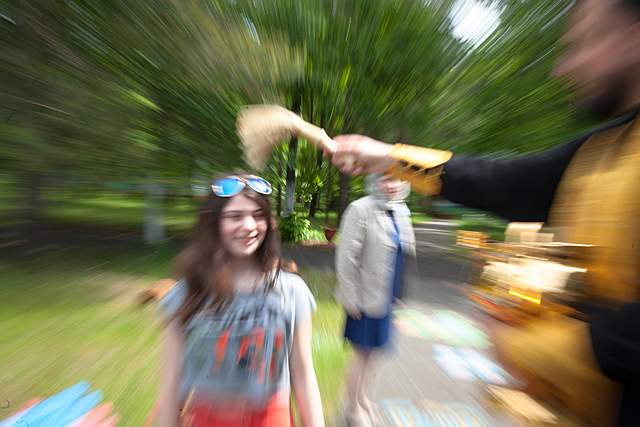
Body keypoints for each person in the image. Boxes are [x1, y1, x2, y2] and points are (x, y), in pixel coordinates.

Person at [328, 0, 640, 425]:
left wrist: (523, 346)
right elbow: (504, 182)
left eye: (586, 42)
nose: (564, 68)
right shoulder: (606, 145)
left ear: (633, 39)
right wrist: (390, 157)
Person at [155, 174, 324, 427]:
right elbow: (172, 385)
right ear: (213, 224)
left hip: (272, 418)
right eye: (235, 217)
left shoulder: (292, 291)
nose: (248, 226)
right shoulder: (187, 294)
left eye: (258, 215)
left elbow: (302, 372)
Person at [335, 174, 415, 426]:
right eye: (385, 179)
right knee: (361, 354)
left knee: (375, 353)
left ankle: (363, 398)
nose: (392, 185)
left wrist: (400, 293)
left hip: (387, 297)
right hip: (364, 297)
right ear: (374, 181)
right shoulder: (360, 209)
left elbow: (403, 255)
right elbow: (346, 258)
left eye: (397, 180)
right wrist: (349, 297)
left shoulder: (400, 210)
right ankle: (352, 409)